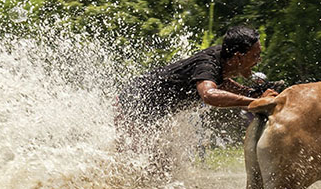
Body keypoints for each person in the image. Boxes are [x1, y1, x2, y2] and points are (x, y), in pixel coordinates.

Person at [116, 26, 277, 136]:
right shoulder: (207, 65)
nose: (259, 60)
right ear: (238, 57)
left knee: (162, 168)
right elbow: (209, 94)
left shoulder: (221, 59)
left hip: (151, 115)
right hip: (131, 107)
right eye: (255, 56)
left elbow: (220, 83)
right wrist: (254, 102)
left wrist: (250, 93)